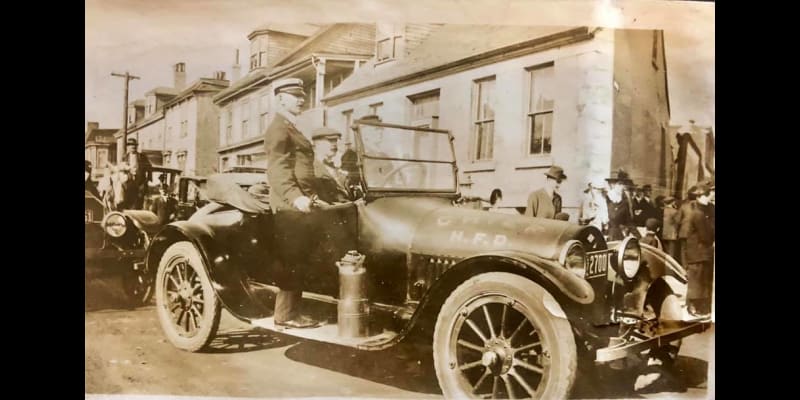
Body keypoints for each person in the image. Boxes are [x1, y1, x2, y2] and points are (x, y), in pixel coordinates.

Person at [264, 78, 323, 329]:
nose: (302, 99)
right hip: (290, 205)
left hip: (302, 202)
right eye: (295, 95)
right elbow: (277, 169)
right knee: (293, 258)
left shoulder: (291, 127)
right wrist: (295, 196)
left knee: (301, 258)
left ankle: (294, 312)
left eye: (302, 95)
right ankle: (286, 315)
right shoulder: (278, 128)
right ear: (280, 99)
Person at [684, 184, 715, 318]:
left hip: (703, 252)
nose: (711, 198)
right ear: (702, 196)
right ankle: (692, 307)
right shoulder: (698, 213)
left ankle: (701, 307)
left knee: (703, 280)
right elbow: (705, 235)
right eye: (710, 196)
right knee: (696, 281)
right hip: (698, 252)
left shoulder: (703, 210)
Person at [310, 127, 350, 204]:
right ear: (317, 143)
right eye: (330, 140)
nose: (334, 144)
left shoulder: (333, 167)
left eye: (335, 140)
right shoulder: (312, 167)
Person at [605, 169, 636, 240]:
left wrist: (639, 237)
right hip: (606, 234)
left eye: (623, 184)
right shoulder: (607, 199)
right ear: (613, 185)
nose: (622, 187)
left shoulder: (624, 202)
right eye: (620, 184)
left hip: (618, 235)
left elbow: (629, 221)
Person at [123, 138, 152, 209]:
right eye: (131, 145)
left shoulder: (142, 157)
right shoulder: (124, 157)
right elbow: (121, 169)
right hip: (128, 184)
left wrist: (146, 181)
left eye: (134, 145)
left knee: (139, 203)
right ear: (128, 147)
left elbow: (149, 168)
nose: (133, 147)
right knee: (128, 203)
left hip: (140, 184)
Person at [661, 196, 681, 261]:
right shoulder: (674, 211)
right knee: (671, 254)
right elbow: (678, 222)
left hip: (664, 234)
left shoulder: (663, 210)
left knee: (665, 252)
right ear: (672, 202)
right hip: (672, 235)